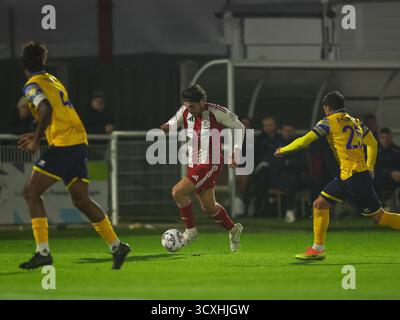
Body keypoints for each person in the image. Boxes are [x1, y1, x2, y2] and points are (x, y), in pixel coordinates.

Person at [18, 41, 130, 270]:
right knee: (81, 200)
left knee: (30, 193)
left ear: (23, 64)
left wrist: (37, 140)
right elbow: (55, 113)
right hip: (77, 141)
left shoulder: (31, 85)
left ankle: (43, 252)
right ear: (44, 62)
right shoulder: (53, 80)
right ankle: (117, 246)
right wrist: (40, 131)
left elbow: (46, 110)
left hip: (65, 144)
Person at [274, 91, 400, 260]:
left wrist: (283, 149)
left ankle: (318, 249)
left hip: (354, 178)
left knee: (380, 218)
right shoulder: (356, 122)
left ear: (327, 107)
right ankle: (317, 249)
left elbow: (305, 140)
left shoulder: (328, 122)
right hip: (351, 176)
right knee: (319, 204)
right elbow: (372, 143)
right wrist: (370, 166)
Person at [161, 84, 244, 252]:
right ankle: (234, 229)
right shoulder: (185, 110)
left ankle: (190, 231)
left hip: (210, 163)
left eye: (192, 106)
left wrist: (235, 152)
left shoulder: (217, 112)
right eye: (186, 105)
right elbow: (172, 123)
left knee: (178, 191)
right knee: (209, 207)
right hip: (193, 163)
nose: (189, 109)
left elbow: (240, 127)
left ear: (202, 102)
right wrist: (167, 127)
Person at [375, 128, 400, 203]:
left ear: (391, 137)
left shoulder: (397, 150)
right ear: (379, 138)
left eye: (387, 137)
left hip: (395, 179)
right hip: (378, 179)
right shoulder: (374, 151)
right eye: (383, 137)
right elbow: (373, 168)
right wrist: (389, 173)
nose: (385, 140)